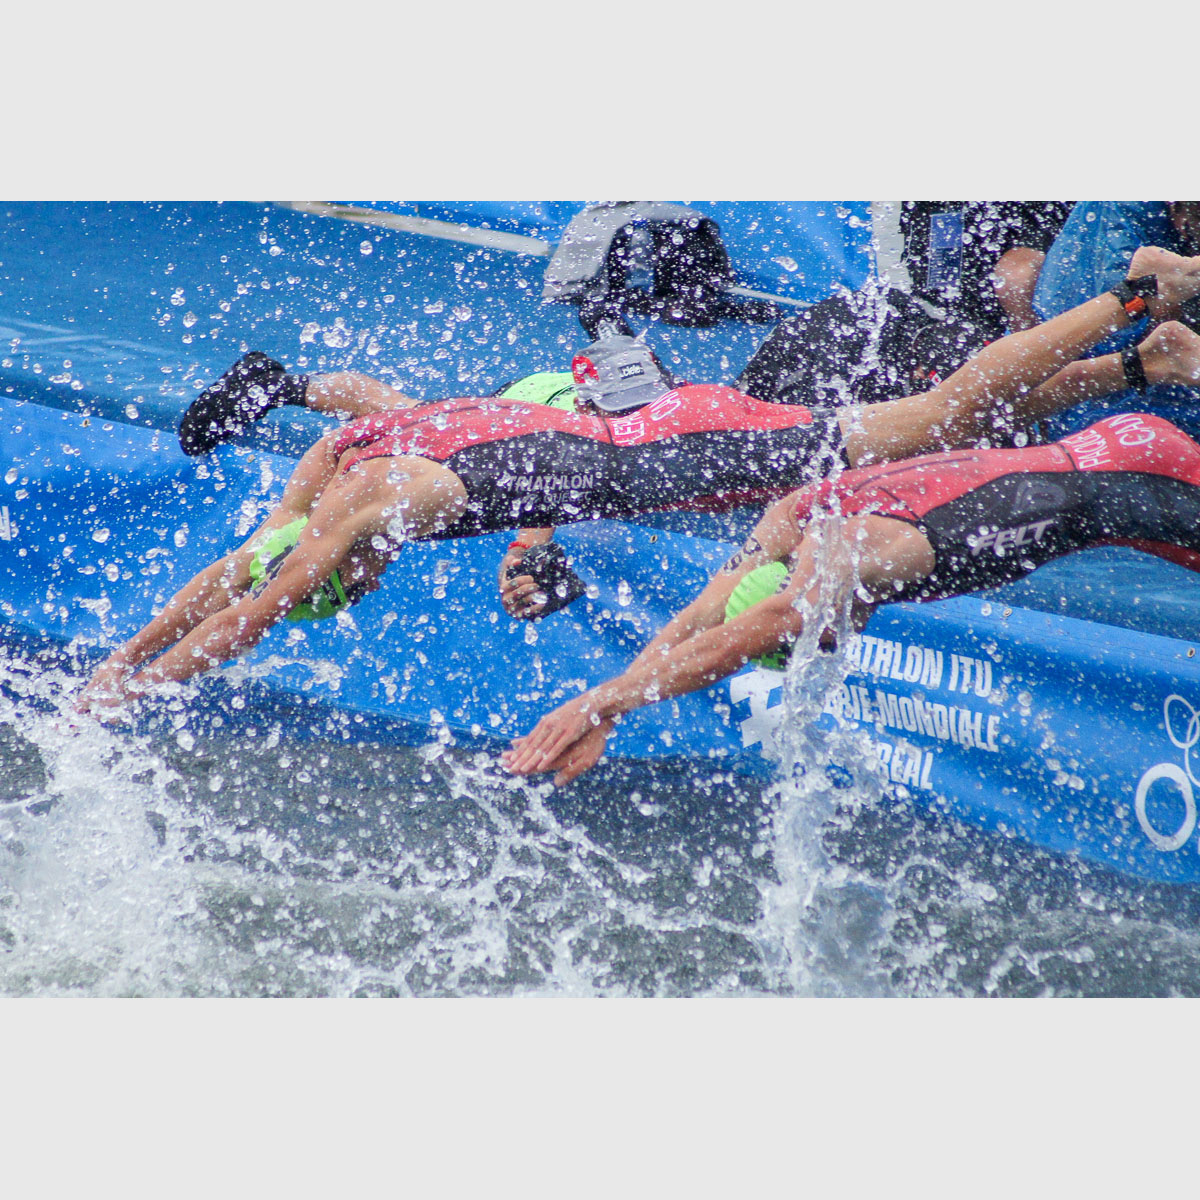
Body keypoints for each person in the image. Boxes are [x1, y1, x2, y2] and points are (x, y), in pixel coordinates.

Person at [76, 248, 1200, 716]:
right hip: (607, 410)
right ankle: (1140, 353)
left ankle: (1134, 301)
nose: (351, 591)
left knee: (933, 418)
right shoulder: (351, 461)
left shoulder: (366, 505)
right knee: (931, 428)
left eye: (344, 584)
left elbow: (261, 604)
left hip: (672, 442)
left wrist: (142, 690)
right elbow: (246, 572)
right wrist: (117, 663)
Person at [736, 202, 1073, 409]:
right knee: (850, 316)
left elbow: (1018, 275)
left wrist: (1025, 350)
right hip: (938, 321)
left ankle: (744, 405)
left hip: (991, 342)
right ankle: (744, 401)